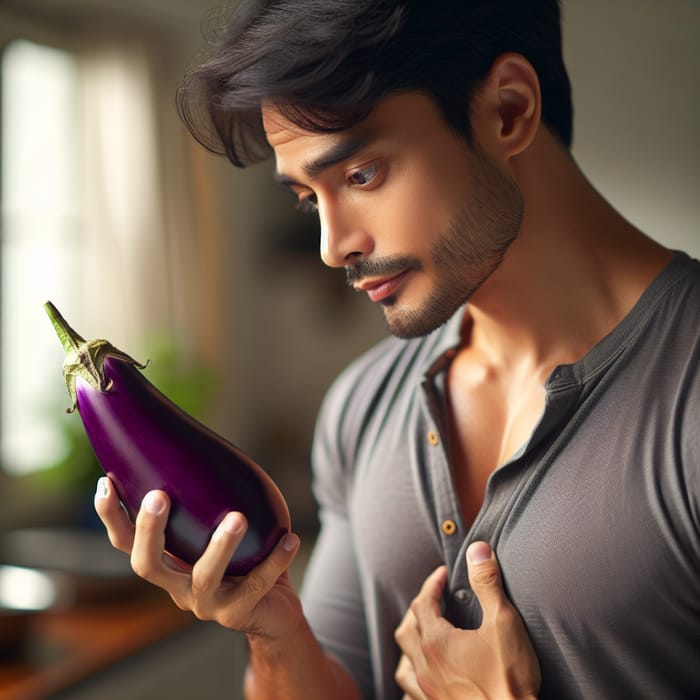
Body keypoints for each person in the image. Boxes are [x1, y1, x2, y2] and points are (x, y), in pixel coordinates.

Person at [95, 1, 700, 698]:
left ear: (507, 110)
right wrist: (272, 630)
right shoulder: (362, 406)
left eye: (361, 175)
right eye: (306, 199)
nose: (332, 246)